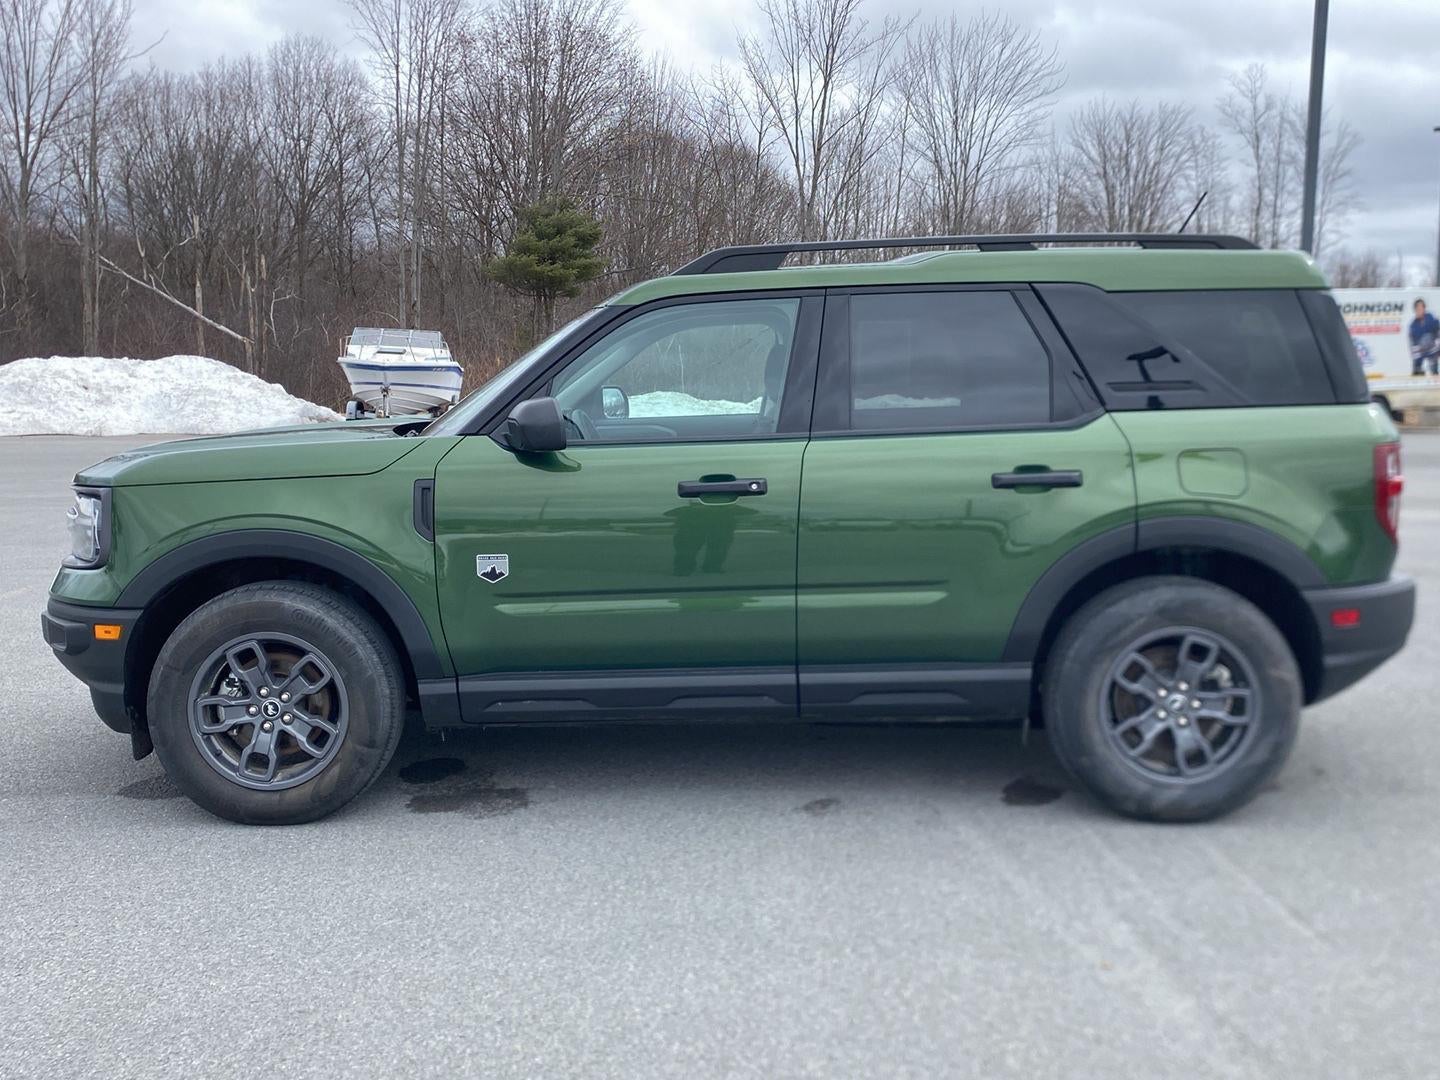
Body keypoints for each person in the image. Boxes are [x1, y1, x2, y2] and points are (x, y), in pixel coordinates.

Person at [1410, 298, 1440, 376]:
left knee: (1434, 371)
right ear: (1415, 310)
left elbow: (1438, 333)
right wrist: (1417, 361)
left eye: (1421, 308)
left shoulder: (1432, 319)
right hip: (1421, 351)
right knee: (1417, 370)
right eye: (1417, 308)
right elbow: (1414, 345)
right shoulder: (1413, 326)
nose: (1419, 310)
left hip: (1434, 350)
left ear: (1424, 308)